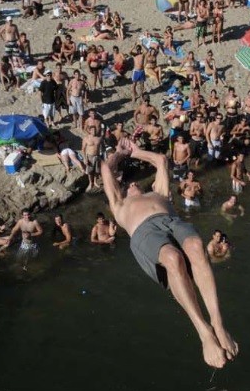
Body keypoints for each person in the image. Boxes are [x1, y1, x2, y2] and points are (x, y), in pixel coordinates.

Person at [99, 138, 238, 368]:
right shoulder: (119, 205)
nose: (132, 184)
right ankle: (204, 332)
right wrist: (120, 153)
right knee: (173, 259)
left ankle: (218, 323)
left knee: (195, 247)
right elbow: (106, 168)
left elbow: (161, 160)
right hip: (143, 233)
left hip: (169, 220)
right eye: (128, 184)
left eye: (135, 183)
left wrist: (137, 151)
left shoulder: (159, 193)